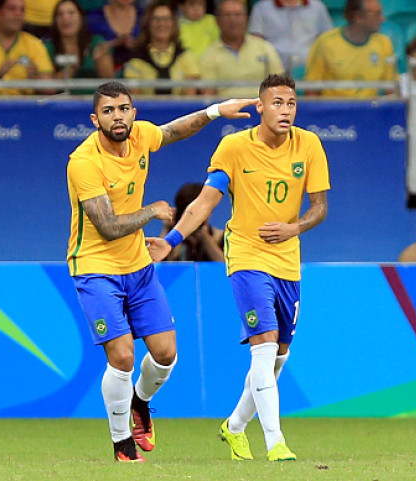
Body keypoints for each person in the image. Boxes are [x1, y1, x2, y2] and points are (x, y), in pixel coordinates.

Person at [66, 81, 256, 462]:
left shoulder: (140, 136)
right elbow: (106, 225)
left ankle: (139, 402)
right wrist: (151, 212)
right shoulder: (83, 162)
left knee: (166, 354)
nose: (117, 117)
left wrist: (216, 110)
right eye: (108, 111)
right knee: (121, 357)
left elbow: (175, 130)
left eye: (123, 109)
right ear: (94, 118)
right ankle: (122, 444)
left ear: (133, 112)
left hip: (137, 266)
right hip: (95, 266)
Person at [147, 73, 330, 462]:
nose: (285, 110)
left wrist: (293, 227)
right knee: (263, 347)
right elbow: (204, 203)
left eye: (292, 103)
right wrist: (172, 239)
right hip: (246, 255)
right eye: (277, 102)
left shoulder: (310, 144)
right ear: (259, 107)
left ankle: (233, 427)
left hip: (288, 260)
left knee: (280, 355)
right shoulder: (233, 147)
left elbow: (319, 207)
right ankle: (275, 442)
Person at [304, 0, 396, 97]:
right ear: (358, 17)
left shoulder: (384, 43)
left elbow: (391, 90)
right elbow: (311, 91)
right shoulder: (326, 43)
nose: (382, 18)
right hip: (334, 109)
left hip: (370, 109)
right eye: (376, 14)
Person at [198, 0, 284, 97]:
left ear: (246, 18)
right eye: (227, 15)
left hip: (261, 107)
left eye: (238, 15)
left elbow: (280, 86)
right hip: (226, 109)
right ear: (217, 21)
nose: (233, 20)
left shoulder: (264, 47)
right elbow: (208, 95)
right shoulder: (209, 55)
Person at [123, 0, 200, 95]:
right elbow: (135, 100)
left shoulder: (186, 56)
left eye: (166, 19)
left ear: (173, 23)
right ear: (148, 23)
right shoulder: (135, 59)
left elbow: (190, 100)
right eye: (156, 19)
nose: (161, 24)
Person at [247, 0, 332, 73]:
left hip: (308, 68)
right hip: (272, 69)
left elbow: (325, 40)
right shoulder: (261, 8)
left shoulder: (317, 7)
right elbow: (256, 42)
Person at [44, 0, 114, 84]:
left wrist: (99, 62)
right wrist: (70, 70)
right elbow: (47, 86)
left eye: (71, 13)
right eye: (60, 14)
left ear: (81, 17)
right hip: (59, 96)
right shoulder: (48, 47)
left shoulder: (97, 43)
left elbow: (110, 81)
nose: (65, 18)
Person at [159, 182, 225, 261]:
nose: (191, 217)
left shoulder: (220, 237)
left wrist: (206, 239)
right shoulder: (173, 238)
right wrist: (167, 231)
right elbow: (154, 266)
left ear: (209, 211)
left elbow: (227, 269)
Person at [87, 0, 143, 74]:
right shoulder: (94, 17)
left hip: (139, 71)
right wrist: (114, 43)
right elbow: (90, 47)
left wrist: (137, 45)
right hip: (102, 71)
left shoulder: (144, 16)